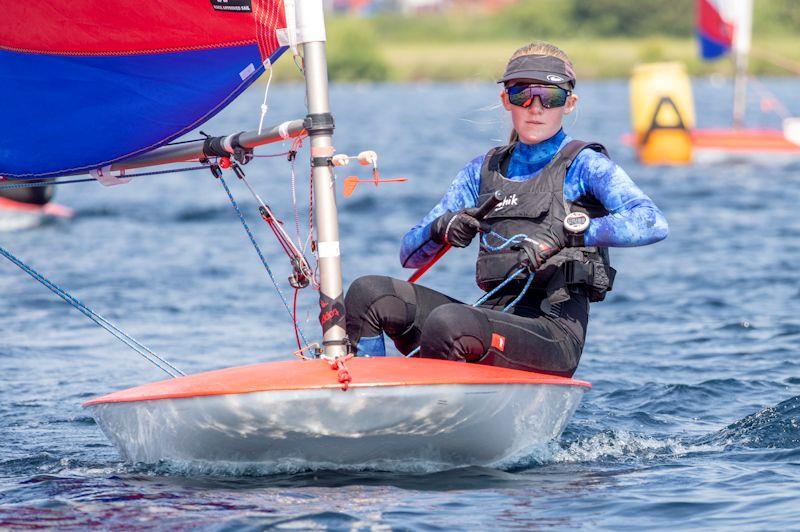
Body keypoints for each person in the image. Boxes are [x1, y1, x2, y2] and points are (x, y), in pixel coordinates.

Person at [344, 41, 668, 377]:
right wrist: (444, 227)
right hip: (486, 319)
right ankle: (367, 396)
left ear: (569, 103)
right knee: (368, 293)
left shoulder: (586, 165)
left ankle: (437, 414)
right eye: (522, 95)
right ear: (505, 101)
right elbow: (410, 256)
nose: (535, 107)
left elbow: (652, 222)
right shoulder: (480, 171)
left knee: (449, 322)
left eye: (550, 96)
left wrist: (569, 233)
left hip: (552, 331)